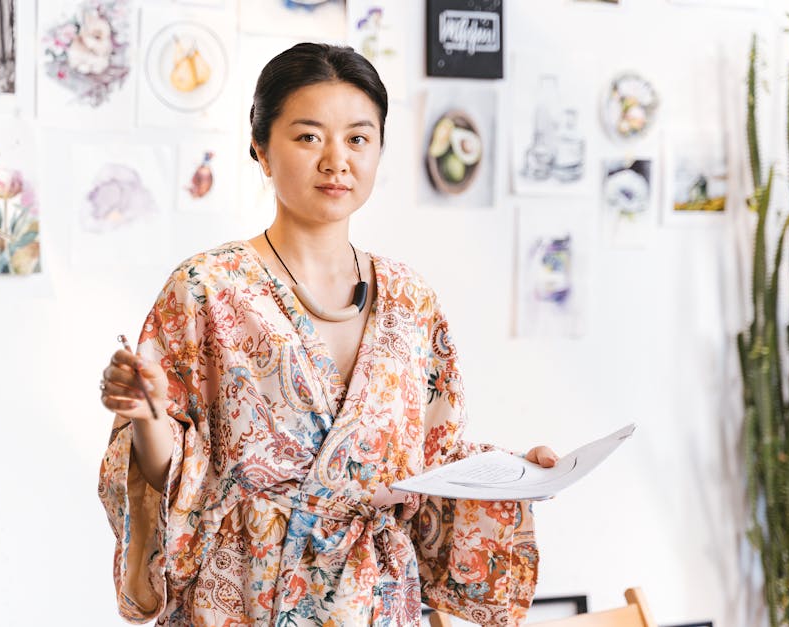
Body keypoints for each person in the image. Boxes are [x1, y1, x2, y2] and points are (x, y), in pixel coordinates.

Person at [98, 42, 558, 627]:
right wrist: (146, 416)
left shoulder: (411, 299)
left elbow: (435, 463)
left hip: (378, 602)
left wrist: (517, 473)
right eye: (309, 136)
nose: (337, 160)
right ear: (261, 150)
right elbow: (173, 482)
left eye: (358, 138)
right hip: (244, 599)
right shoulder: (206, 288)